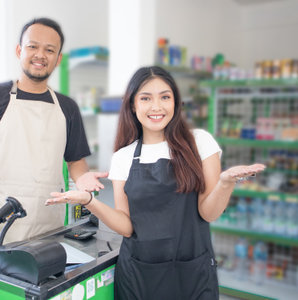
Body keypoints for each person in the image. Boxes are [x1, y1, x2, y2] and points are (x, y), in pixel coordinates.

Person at [46, 66, 265, 299]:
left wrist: (224, 183)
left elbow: (208, 213)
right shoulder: (124, 156)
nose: (156, 106)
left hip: (192, 273)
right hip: (140, 276)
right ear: (133, 105)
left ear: (175, 102)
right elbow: (127, 225)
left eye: (165, 97)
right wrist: (90, 201)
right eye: (146, 98)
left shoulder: (200, 142)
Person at [0, 17, 107, 255]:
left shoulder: (68, 108)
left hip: (49, 221)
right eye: (33, 46)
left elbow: (76, 162)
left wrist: (84, 180)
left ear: (58, 59)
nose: (40, 55)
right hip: (0, 217)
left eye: (49, 50)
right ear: (19, 50)